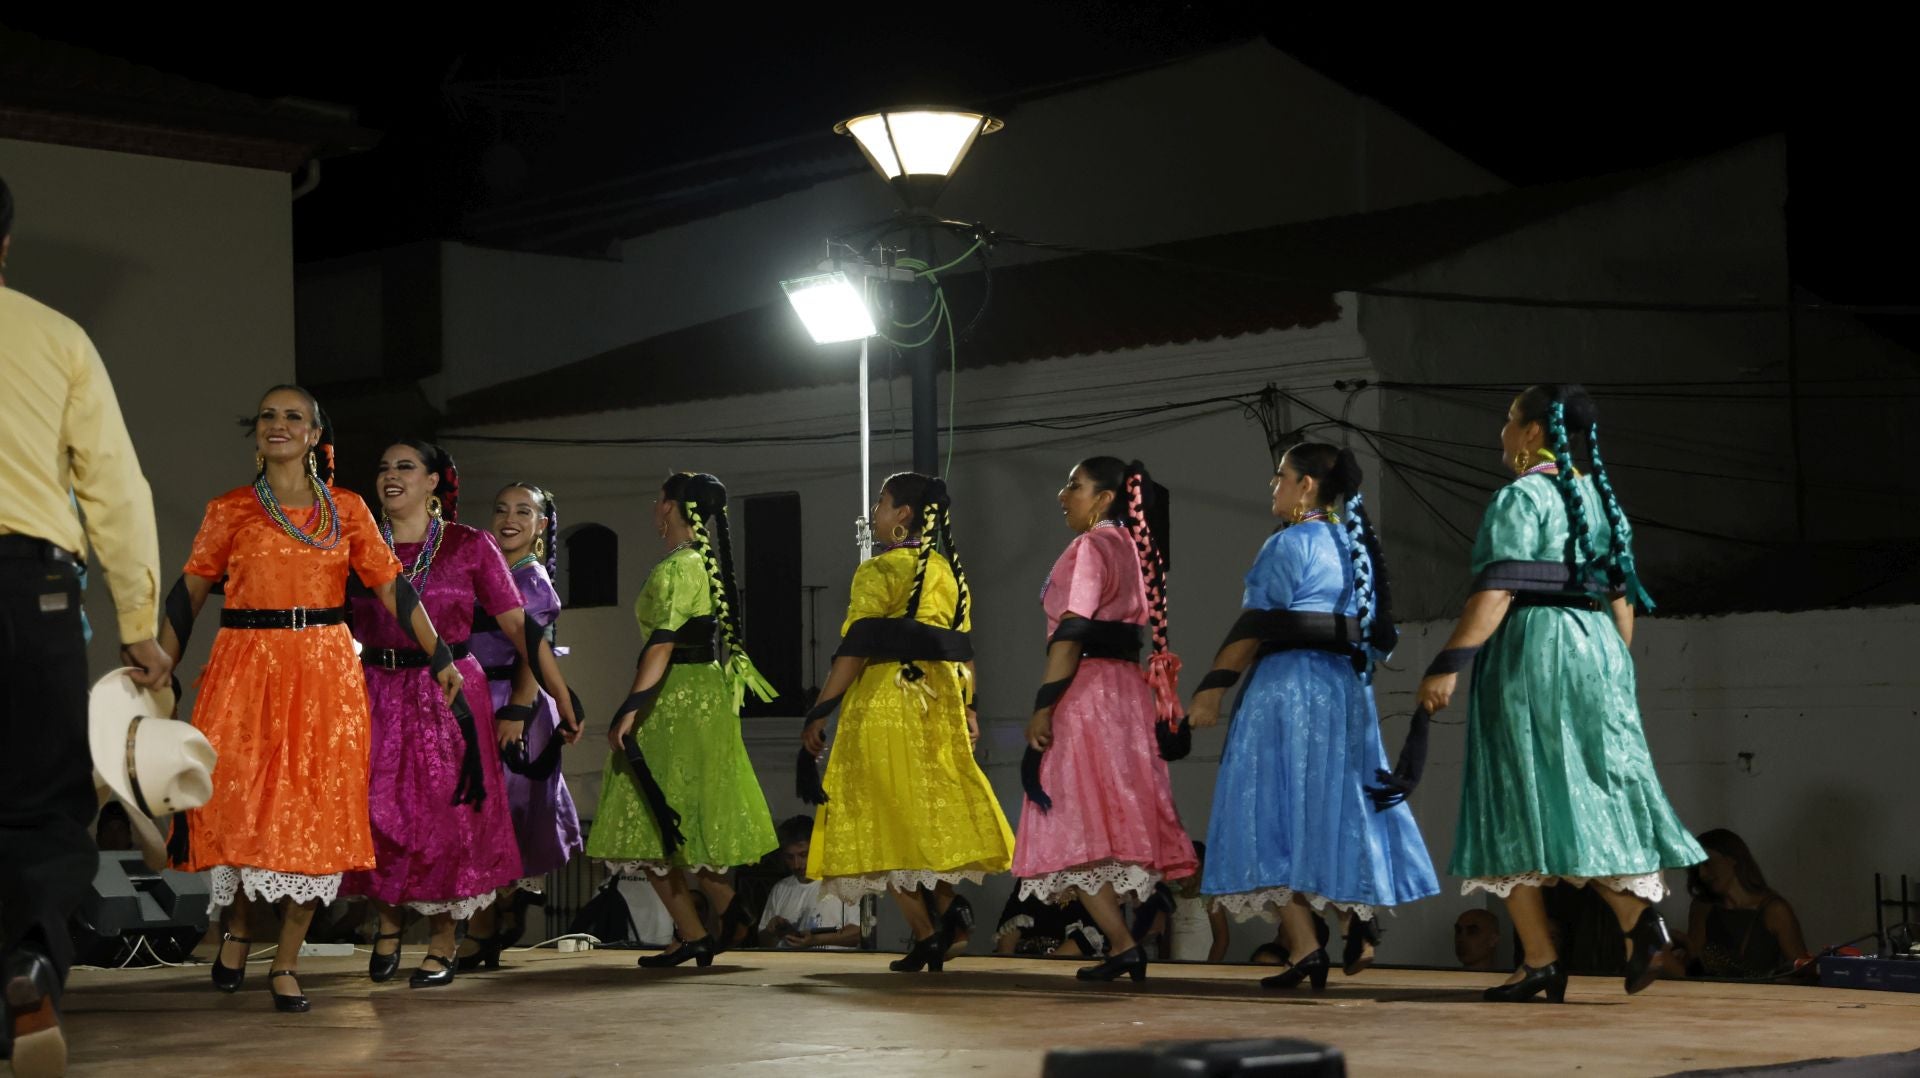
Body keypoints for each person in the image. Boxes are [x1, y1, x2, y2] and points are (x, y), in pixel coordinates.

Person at [163, 389, 453, 1014]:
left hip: (324, 669)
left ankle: (287, 962)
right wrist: (158, 667)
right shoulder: (230, 510)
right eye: (268, 415)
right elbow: (185, 596)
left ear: (315, 432)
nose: (278, 424)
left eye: (293, 416)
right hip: (244, 665)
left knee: (316, 814)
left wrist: (441, 654)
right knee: (239, 808)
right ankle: (239, 931)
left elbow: (392, 589)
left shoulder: (345, 509)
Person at [1417, 383, 1704, 1003]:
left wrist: (1448, 663)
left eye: (1508, 420)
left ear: (1530, 432)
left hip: (1534, 649)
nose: (1501, 431)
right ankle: (1572, 948)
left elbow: (1496, 591)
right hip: (1596, 645)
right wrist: (1612, 673)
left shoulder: (1522, 496)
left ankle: (1597, 938)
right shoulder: (1600, 499)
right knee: (1579, 793)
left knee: (1518, 793)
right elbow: (1622, 600)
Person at [1, 172, 170, 1074]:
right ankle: (29, 960)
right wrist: (138, 619)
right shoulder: (57, 337)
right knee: (41, 801)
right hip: (31, 590)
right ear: (4, 246)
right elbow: (116, 487)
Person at [1191, 443, 1438, 989]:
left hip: (1286, 693)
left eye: (1280, 477)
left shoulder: (1289, 544)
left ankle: (1308, 946)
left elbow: (1254, 624)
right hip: (1345, 693)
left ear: (1307, 486)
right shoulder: (1353, 549)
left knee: (1266, 813)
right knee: (1335, 809)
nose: (1273, 487)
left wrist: (1211, 690)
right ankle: (1345, 923)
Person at [801, 473, 1014, 974]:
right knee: (929, 815)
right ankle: (939, 919)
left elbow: (854, 650)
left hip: (884, 702)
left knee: (881, 816)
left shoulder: (877, 572)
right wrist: (968, 707)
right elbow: (963, 652)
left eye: (881, 502)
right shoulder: (947, 572)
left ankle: (928, 930)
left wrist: (819, 710)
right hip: (937, 701)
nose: (875, 511)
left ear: (903, 516)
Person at [342, 441, 532, 990]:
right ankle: (388, 923)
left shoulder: (471, 545)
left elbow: (520, 627)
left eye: (405, 466)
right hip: (375, 684)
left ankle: (445, 940)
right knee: (377, 813)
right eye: (382, 467)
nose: (390, 476)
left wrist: (544, 696)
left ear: (433, 482)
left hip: (446, 690)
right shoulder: (357, 546)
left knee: (446, 820)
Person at [1014, 458, 1198, 984]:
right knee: (1111, 816)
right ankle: (1125, 943)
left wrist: (1044, 705)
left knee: (1068, 818)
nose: (1062, 494)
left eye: (1074, 485)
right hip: (1127, 696)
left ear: (1104, 499)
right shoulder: (1139, 551)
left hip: (1088, 692)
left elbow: (1073, 630)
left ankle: (1122, 943)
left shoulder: (1092, 546)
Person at [587, 472, 779, 968]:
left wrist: (629, 708)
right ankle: (724, 909)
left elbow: (663, 643)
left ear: (669, 508)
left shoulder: (678, 567)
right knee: (685, 814)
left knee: (646, 811)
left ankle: (696, 931)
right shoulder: (705, 564)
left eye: (659, 501)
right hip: (705, 696)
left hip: (673, 699)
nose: (655, 508)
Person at [460, 482, 585, 971]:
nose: (509, 518)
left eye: (523, 511)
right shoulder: (494, 570)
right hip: (483, 698)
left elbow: (534, 650)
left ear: (540, 526)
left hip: (513, 703)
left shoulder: (530, 578)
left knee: (495, 818)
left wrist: (515, 708)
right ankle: (500, 910)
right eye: (501, 508)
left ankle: (488, 924)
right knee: (488, 817)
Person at [1684, 829, 1810, 979]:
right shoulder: (1702, 908)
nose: (1702, 874)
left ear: (1732, 858)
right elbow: (1693, 971)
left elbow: (1803, 973)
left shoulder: (1775, 911)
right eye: (1696, 868)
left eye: (1707, 864)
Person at [755, 817, 861, 950]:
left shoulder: (844, 883)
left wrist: (815, 940)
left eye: (803, 855)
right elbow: (763, 942)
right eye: (789, 857)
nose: (796, 864)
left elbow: (859, 933)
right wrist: (772, 931)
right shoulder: (780, 888)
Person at [1133, 842, 1230, 963]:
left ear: (1201, 869)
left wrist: (1210, 967)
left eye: (1187, 868)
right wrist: (1164, 961)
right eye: (1177, 868)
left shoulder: (1210, 899)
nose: (1181, 874)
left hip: (1202, 966)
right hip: (1176, 966)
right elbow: (1168, 935)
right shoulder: (1172, 897)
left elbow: (1222, 938)